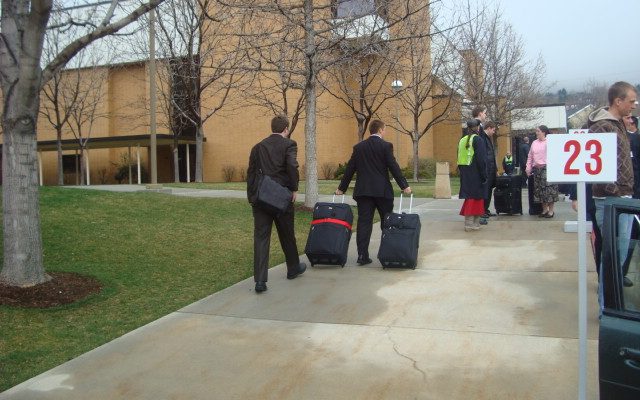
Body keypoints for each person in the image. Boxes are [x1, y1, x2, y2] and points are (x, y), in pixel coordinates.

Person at [336, 119, 411, 265]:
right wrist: (404, 185)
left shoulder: (359, 147)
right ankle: (388, 253)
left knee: (364, 223)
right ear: (381, 130)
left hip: (363, 192)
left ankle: (362, 256)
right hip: (382, 191)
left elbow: (350, 169)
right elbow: (393, 166)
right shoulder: (386, 146)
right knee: (387, 222)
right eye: (385, 129)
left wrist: (342, 188)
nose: (385, 132)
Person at [247, 115, 306, 293]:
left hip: (261, 199)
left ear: (272, 128)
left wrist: (252, 196)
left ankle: (260, 281)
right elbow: (292, 167)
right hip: (282, 198)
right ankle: (293, 268)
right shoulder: (289, 144)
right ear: (286, 129)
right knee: (287, 234)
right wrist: (294, 189)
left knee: (261, 238)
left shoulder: (257, 147)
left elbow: (250, 174)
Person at [589, 81, 637, 298]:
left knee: (617, 256)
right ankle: (607, 309)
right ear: (618, 101)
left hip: (621, 197)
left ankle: (609, 303)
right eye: (631, 101)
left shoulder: (617, 124)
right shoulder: (603, 126)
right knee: (613, 257)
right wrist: (615, 193)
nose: (634, 105)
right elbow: (597, 166)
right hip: (612, 200)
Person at [457, 119, 488, 231]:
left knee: (469, 197)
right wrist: (484, 175)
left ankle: (469, 223)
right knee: (477, 198)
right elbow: (481, 160)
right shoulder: (478, 140)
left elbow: (459, 157)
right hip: (476, 172)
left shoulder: (462, 140)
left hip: (465, 172)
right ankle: (473, 223)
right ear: (478, 128)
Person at [525, 125, 559, 218]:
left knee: (549, 190)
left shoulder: (549, 142)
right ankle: (544, 210)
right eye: (536, 131)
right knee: (539, 190)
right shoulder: (534, 143)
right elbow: (530, 156)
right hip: (537, 169)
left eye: (538, 131)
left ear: (544, 132)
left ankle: (551, 211)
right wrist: (528, 168)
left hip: (547, 168)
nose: (537, 133)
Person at [480, 120, 498, 220]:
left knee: (489, 190)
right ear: (489, 128)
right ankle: (482, 210)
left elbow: (492, 156)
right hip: (486, 169)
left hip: (491, 169)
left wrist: (495, 169)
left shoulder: (488, 138)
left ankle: (486, 209)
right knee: (485, 191)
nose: (494, 132)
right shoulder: (483, 137)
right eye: (493, 130)